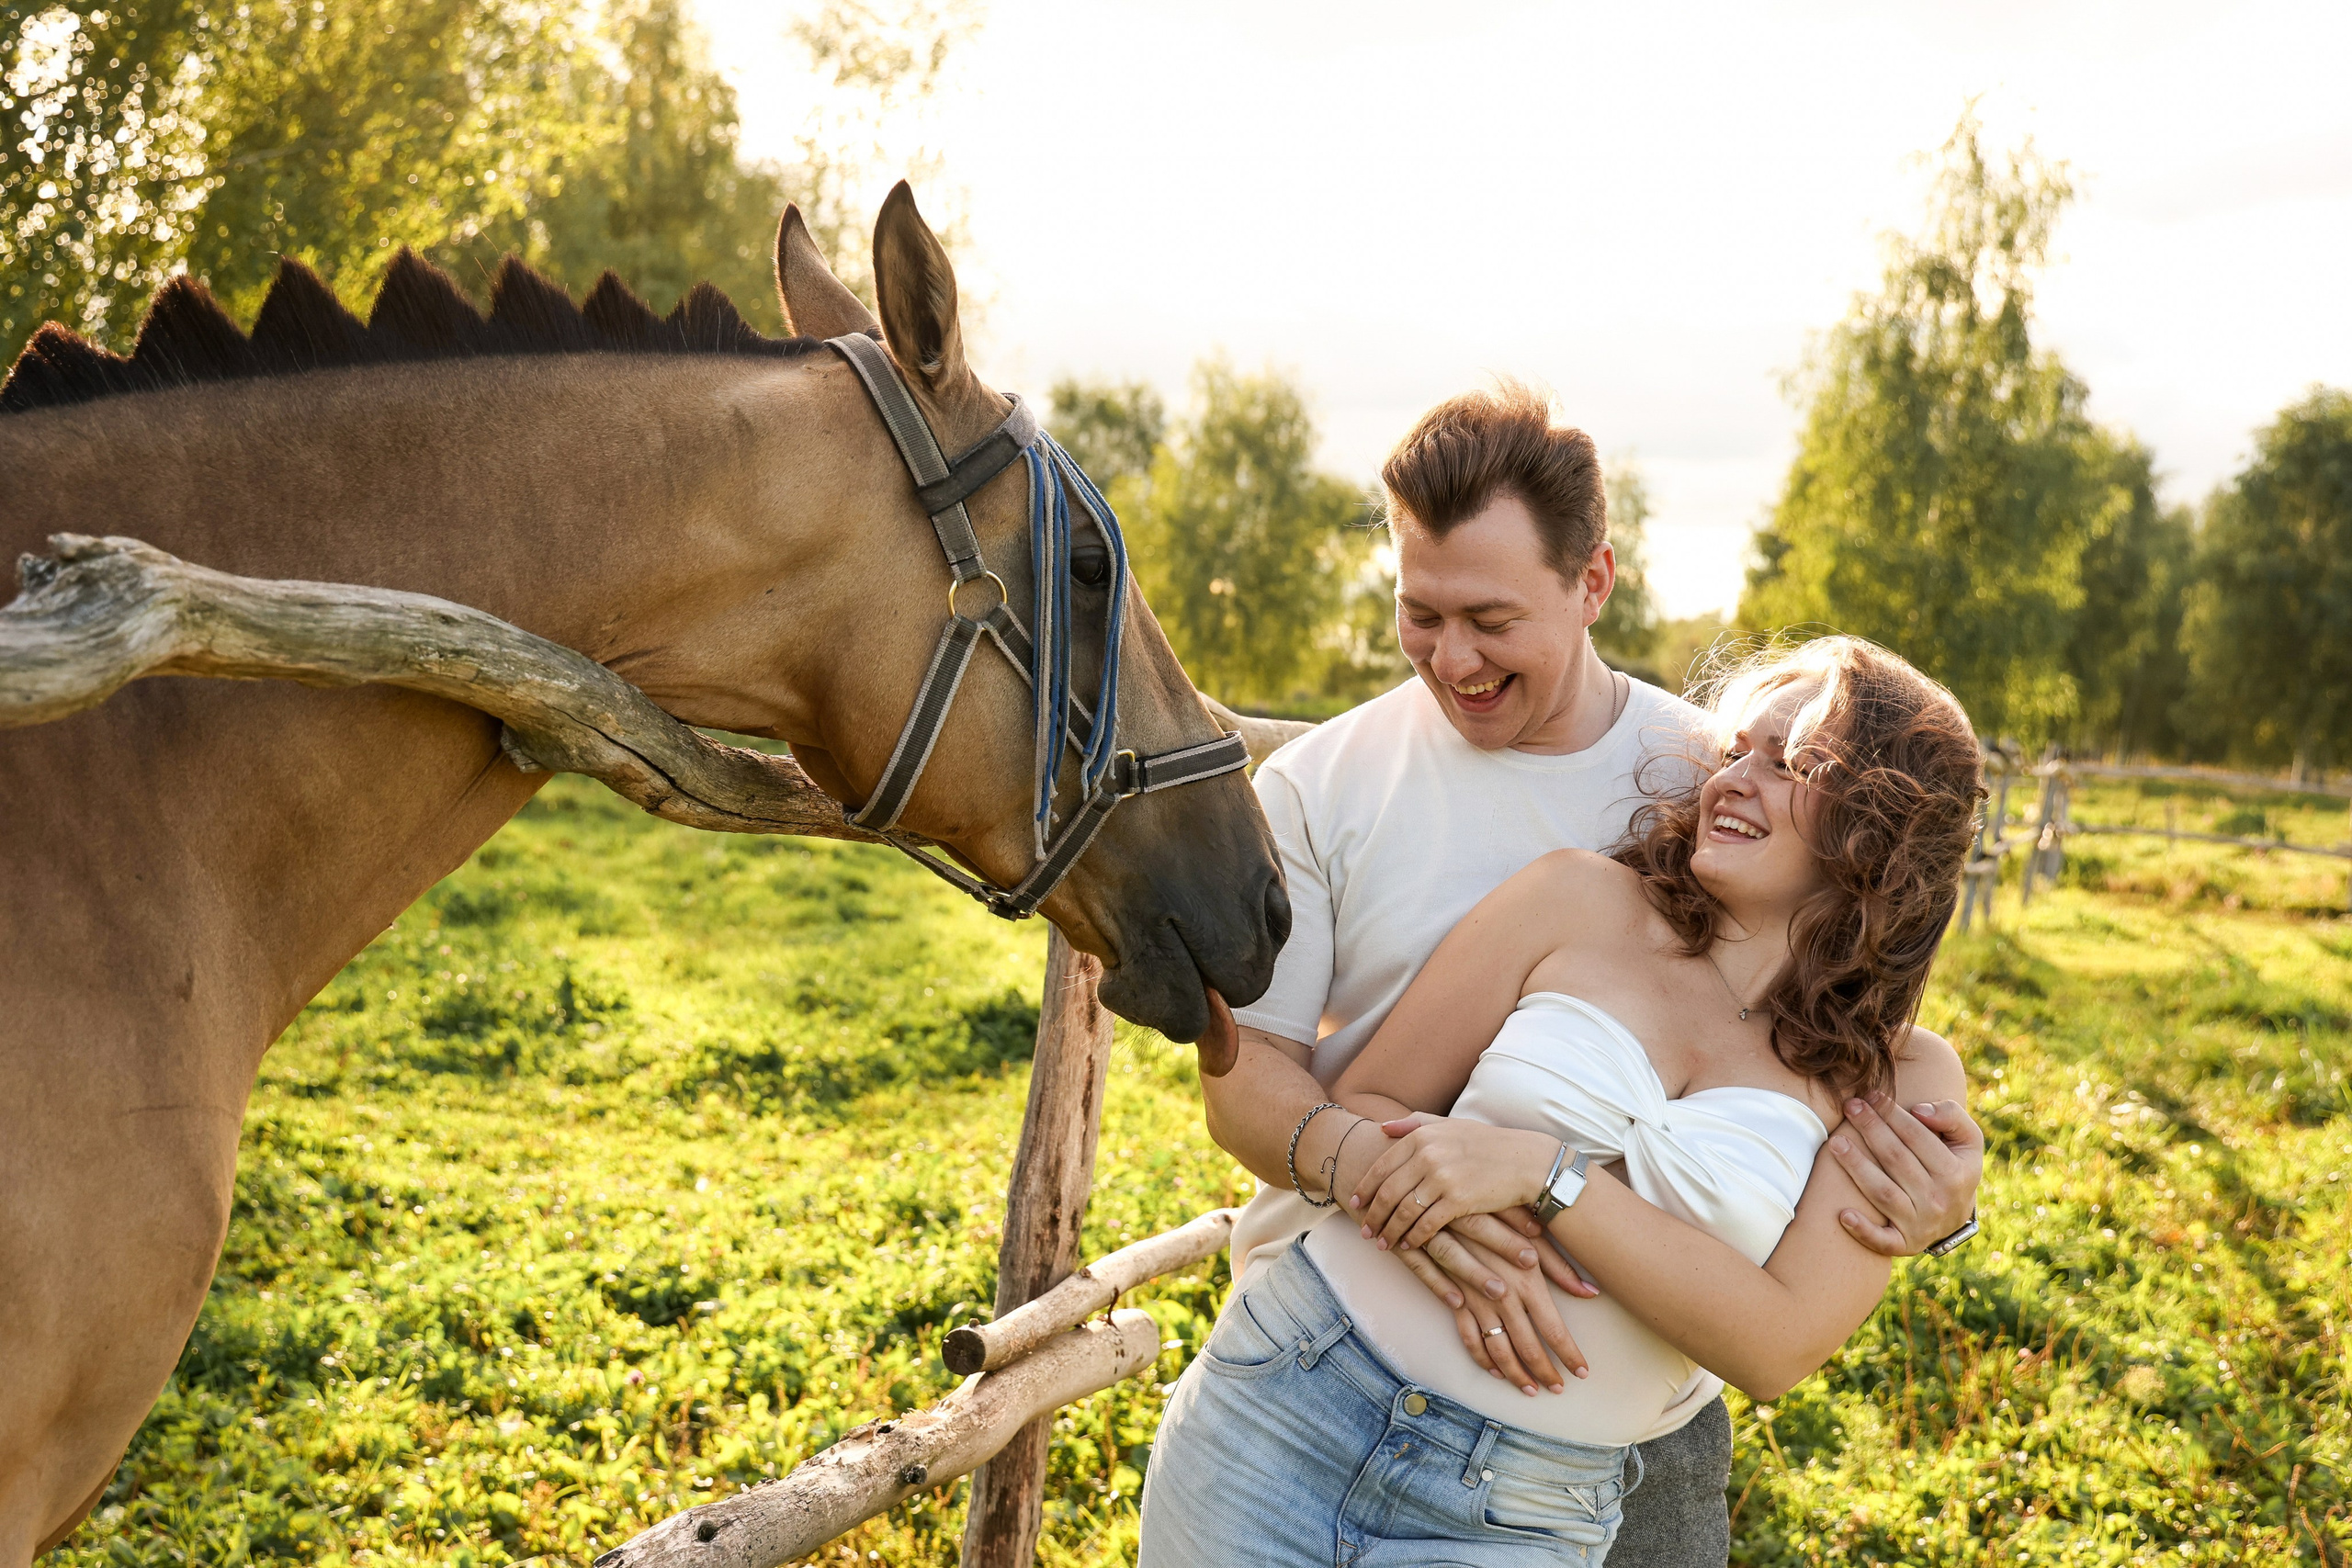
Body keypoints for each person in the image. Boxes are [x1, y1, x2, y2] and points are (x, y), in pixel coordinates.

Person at [1148, 385, 1984, 1565]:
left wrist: (1939, 1212)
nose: (1451, 657)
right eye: (1418, 613)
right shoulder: (1330, 790)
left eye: (1489, 618)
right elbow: (1258, 1081)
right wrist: (1405, 1196)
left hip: (1599, 1463)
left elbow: (1838, 1044)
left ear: (1591, 583)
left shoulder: (1699, 775)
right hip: (1310, 1365)